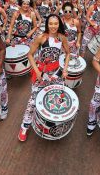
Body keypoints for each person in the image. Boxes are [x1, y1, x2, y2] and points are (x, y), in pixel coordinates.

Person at [18, 14, 70, 142]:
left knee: (55, 98)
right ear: (47, 24)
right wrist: (37, 71)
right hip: (41, 72)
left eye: (56, 23)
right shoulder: (41, 37)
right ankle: (25, 125)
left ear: (59, 24)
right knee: (33, 101)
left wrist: (65, 68)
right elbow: (30, 54)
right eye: (50, 23)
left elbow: (68, 53)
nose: (53, 26)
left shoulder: (62, 38)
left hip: (56, 73)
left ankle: (50, 121)